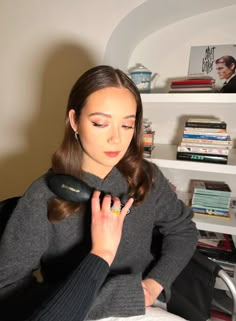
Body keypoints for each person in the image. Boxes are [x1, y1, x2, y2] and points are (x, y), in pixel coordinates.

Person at [0, 65, 198, 321]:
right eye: (100, 123)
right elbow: (7, 292)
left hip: (144, 305)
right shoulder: (43, 195)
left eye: (127, 125)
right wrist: (117, 296)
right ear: (74, 121)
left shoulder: (146, 176)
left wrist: (154, 283)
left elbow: (182, 230)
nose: (116, 139)